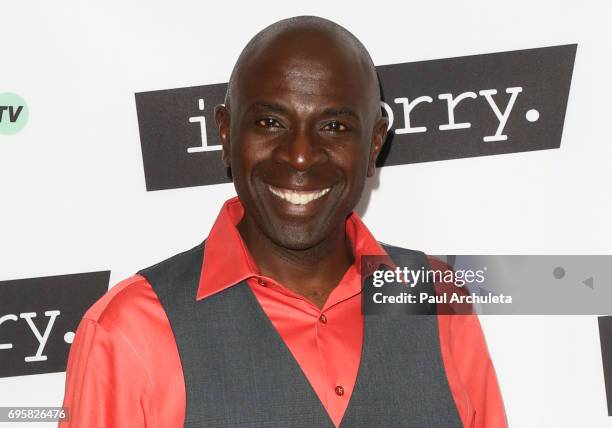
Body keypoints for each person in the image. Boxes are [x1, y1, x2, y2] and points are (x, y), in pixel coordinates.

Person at [60, 16, 506, 427]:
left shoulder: (436, 298)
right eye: (271, 122)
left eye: (334, 127)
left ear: (374, 145)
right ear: (225, 132)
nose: (299, 155)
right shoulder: (128, 330)